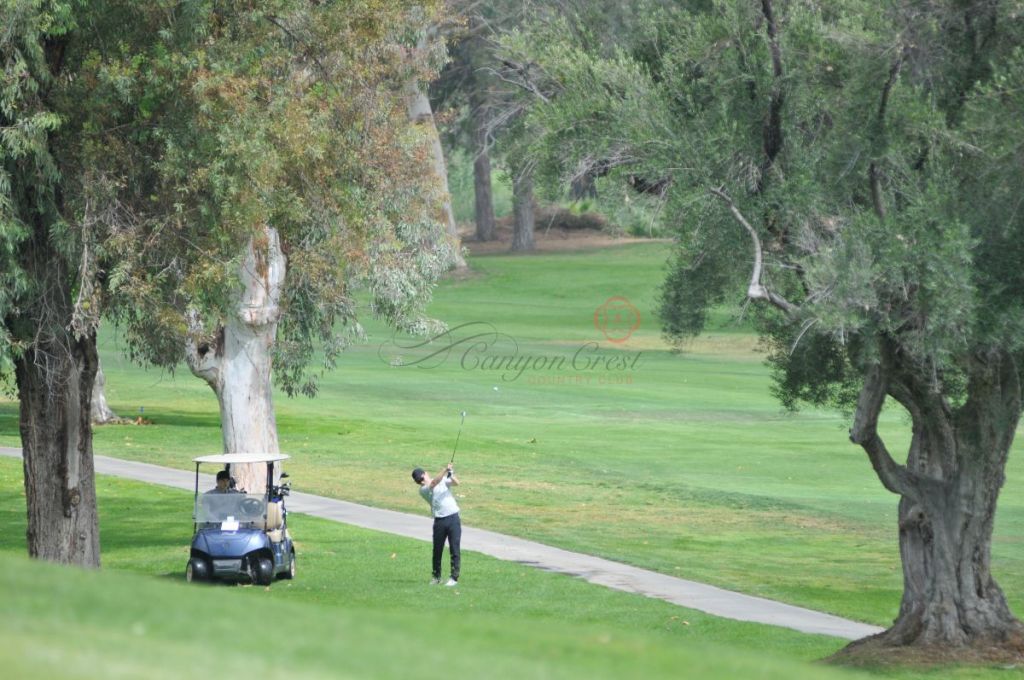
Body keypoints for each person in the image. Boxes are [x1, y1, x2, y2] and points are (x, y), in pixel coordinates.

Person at [411, 463, 461, 586]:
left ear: (425, 474)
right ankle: (436, 577)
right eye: (419, 481)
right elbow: (433, 484)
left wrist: (451, 473)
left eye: (421, 479)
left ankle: (454, 578)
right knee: (437, 550)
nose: (422, 482)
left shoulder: (442, 479)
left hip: (453, 517)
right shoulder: (423, 490)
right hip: (439, 521)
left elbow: (456, 483)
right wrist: (444, 470)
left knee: (454, 548)